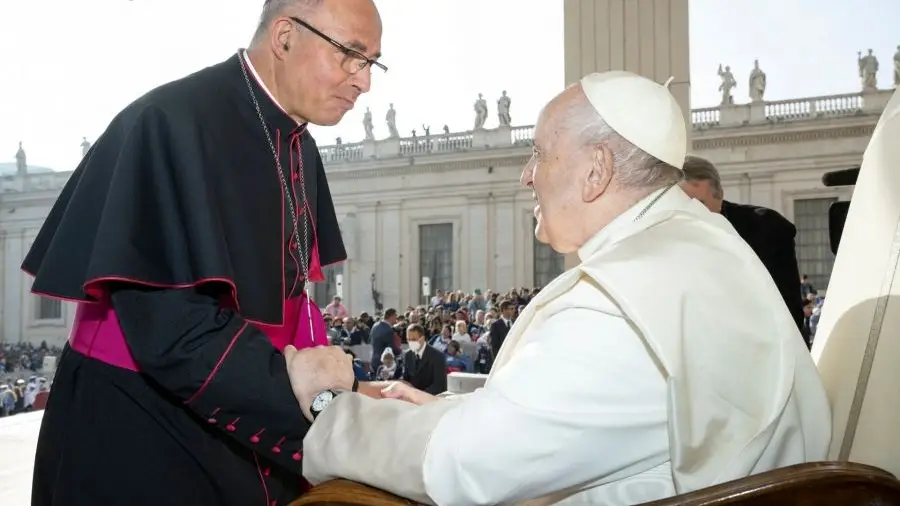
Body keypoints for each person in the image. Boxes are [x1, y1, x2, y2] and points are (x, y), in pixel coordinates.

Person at [295, 71, 831, 505]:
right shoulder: (702, 252)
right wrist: (442, 413)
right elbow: (578, 423)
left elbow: (465, 467)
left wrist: (328, 404)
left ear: (595, 171)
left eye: (539, 153)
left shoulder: (622, 302)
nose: (527, 175)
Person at [22, 1, 384, 505]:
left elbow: (292, 302)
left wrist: (352, 395)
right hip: (143, 432)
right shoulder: (168, 124)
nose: (363, 81)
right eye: (352, 55)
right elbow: (171, 330)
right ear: (284, 37)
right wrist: (315, 396)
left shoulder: (300, 145)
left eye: (372, 63)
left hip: (240, 408)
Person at [680, 155, 806, 340]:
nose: (690, 213)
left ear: (719, 194)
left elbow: (787, 310)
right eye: (682, 205)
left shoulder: (766, 227)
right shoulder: (662, 236)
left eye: (700, 204)